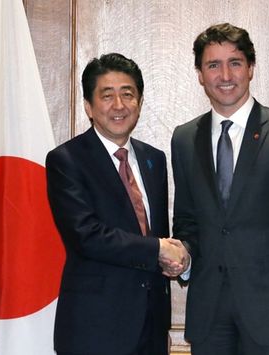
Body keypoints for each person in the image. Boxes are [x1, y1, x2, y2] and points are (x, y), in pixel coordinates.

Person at [171, 23, 269, 355]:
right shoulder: (184, 139)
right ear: (200, 74)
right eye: (213, 65)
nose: (225, 74)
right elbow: (187, 221)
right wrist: (183, 257)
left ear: (251, 68)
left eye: (235, 63)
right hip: (209, 314)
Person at [46, 53, 188, 355]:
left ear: (139, 102)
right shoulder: (66, 160)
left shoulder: (154, 159)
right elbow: (87, 235)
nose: (119, 105)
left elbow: (156, 232)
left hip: (150, 328)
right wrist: (159, 249)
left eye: (128, 94)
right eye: (107, 96)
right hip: (95, 329)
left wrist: (175, 257)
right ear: (89, 106)